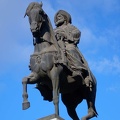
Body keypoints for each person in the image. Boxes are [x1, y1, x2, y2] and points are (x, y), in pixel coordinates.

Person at [54, 10, 93, 89]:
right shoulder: (54, 30)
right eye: (56, 18)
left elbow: (77, 33)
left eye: (60, 17)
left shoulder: (71, 27)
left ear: (65, 18)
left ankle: (78, 69)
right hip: (56, 46)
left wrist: (65, 35)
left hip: (67, 44)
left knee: (70, 49)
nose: (58, 19)